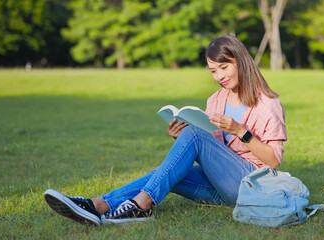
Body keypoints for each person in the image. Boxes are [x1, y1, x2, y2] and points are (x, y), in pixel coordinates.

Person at [43, 35, 287, 226]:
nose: (219, 76)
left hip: (249, 185)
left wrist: (240, 131)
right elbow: (215, 150)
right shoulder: (215, 100)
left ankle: (143, 204)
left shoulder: (267, 103)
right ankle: (97, 206)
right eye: (213, 71)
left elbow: (273, 160)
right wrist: (183, 137)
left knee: (187, 145)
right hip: (219, 187)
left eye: (224, 67)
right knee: (164, 173)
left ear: (240, 61)